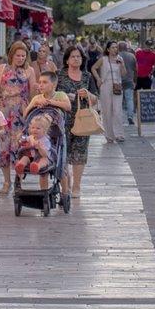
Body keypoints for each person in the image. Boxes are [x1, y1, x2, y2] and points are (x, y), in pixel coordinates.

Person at [0, 39, 35, 197]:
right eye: (18, 55)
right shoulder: (2, 68)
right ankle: (7, 181)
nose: (21, 58)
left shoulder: (29, 71)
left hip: (21, 113)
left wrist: (31, 110)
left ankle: (18, 180)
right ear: (12, 55)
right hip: (3, 112)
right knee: (3, 148)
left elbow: (33, 93)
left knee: (19, 147)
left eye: (23, 56)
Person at [58, 43, 99, 200]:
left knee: (80, 153)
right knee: (63, 152)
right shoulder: (59, 74)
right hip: (63, 119)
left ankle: (77, 186)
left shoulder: (87, 77)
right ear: (67, 60)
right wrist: (63, 95)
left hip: (82, 119)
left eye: (78, 57)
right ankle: (65, 185)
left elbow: (95, 100)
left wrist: (87, 94)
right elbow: (51, 93)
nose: (76, 59)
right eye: (73, 56)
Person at [117, 42, 136, 128]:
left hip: (118, 81)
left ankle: (118, 119)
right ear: (126, 47)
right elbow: (136, 69)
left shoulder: (116, 56)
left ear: (118, 48)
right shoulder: (132, 56)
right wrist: (135, 80)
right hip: (129, 80)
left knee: (118, 101)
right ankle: (130, 116)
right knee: (129, 100)